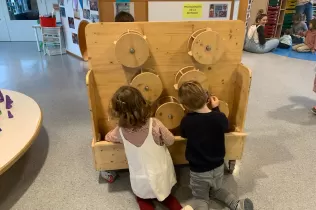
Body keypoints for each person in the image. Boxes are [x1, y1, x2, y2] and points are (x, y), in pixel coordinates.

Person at [178, 81, 254, 210]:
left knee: (201, 198)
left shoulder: (187, 121)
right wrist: (216, 108)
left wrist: (189, 114)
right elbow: (226, 126)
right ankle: (237, 205)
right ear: (207, 98)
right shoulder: (219, 117)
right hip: (218, 167)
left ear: (185, 105)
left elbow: (183, 134)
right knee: (217, 190)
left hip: (199, 171)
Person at [105, 86, 182, 210]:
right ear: (142, 104)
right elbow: (171, 141)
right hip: (160, 174)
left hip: (140, 177)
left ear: (117, 112)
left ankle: (145, 200)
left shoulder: (120, 131)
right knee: (167, 196)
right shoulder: (155, 124)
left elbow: (108, 137)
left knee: (142, 197)